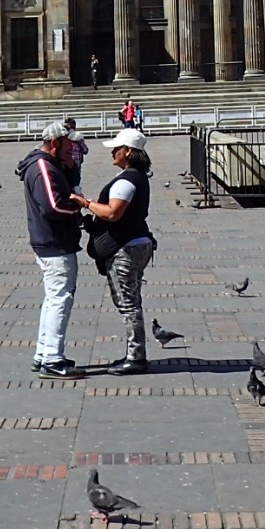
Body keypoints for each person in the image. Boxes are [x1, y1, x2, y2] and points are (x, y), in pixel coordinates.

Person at [77, 130, 156, 375]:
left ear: (128, 152)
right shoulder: (137, 177)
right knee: (132, 300)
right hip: (138, 242)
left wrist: (86, 203)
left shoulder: (126, 180)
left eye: (117, 148)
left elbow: (113, 213)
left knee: (128, 303)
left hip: (126, 247)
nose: (113, 152)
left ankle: (136, 357)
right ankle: (134, 354)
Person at [17, 120, 85, 378]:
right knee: (60, 300)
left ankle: (44, 353)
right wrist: (80, 206)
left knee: (53, 298)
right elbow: (53, 207)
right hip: (54, 242)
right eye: (69, 146)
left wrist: (70, 171)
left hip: (52, 241)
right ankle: (53, 360)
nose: (73, 150)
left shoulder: (52, 164)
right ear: (55, 143)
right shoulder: (43, 167)